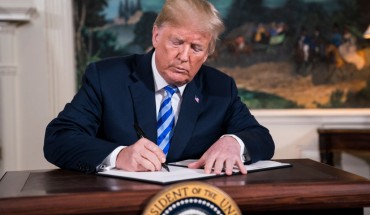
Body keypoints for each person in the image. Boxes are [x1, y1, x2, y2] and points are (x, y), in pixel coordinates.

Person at [44, 0, 275, 176]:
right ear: (156, 35)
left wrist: (234, 142)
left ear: (207, 53)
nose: (184, 56)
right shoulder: (107, 78)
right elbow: (58, 139)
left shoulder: (221, 88)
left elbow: (262, 139)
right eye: (177, 42)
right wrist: (118, 156)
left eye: (196, 48)